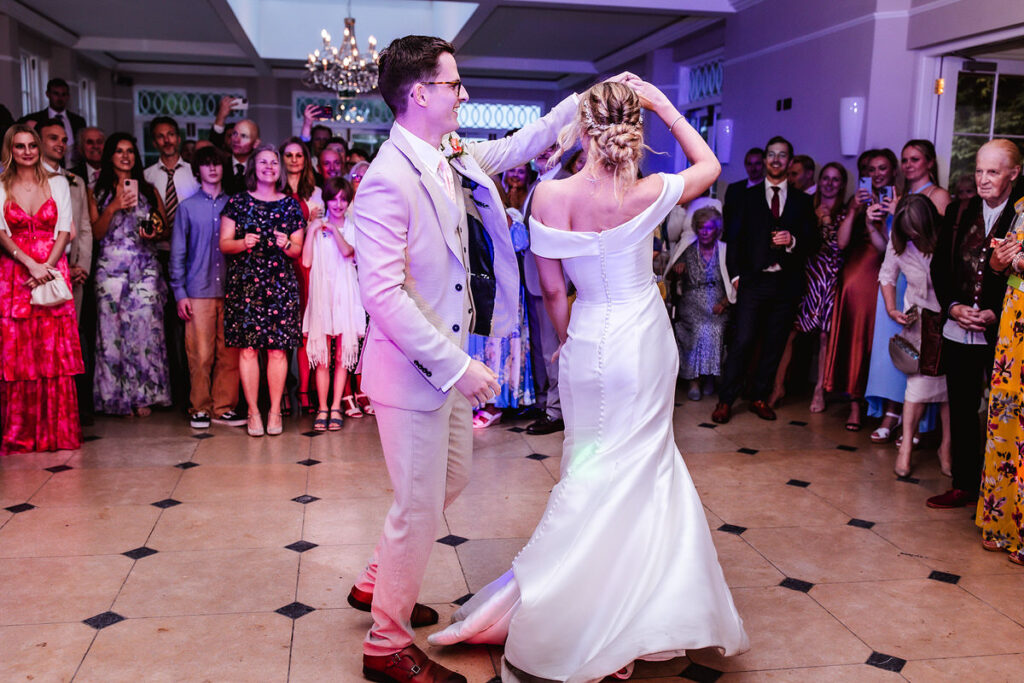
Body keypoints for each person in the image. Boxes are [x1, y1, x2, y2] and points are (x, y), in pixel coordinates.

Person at [428, 77, 748, 681]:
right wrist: (664, 104)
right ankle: (635, 616)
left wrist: (569, 346)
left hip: (589, 337)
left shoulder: (548, 198)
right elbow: (710, 162)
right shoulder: (653, 191)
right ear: (634, 128)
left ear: (584, 129)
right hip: (647, 342)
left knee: (589, 468)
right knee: (646, 468)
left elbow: (553, 290)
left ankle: (581, 609)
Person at [347, 34, 584, 683]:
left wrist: (581, 103)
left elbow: (517, 146)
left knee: (446, 482)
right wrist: (457, 366)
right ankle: (386, 644)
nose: (464, 94)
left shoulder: (446, 154)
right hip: (411, 372)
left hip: (445, 363)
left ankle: (375, 581)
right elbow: (383, 295)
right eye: (455, 84)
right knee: (418, 504)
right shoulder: (386, 181)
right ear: (420, 93)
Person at [929, 140, 1021, 509]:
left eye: (993, 172)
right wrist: (953, 307)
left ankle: (999, 496)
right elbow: (939, 266)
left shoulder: (1021, 214)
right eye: (979, 171)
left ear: (1014, 174)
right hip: (959, 327)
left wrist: (994, 312)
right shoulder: (958, 211)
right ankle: (964, 485)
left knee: (1004, 409)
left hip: (1005, 331)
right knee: (963, 407)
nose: (983, 180)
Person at [711, 135, 817, 424]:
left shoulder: (803, 201)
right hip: (752, 283)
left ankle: (759, 396)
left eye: (782, 155)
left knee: (774, 343)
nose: (775, 160)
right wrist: (734, 277)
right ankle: (725, 400)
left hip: (786, 284)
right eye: (771, 154)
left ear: (790, 162)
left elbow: (813, 241)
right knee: (743, 341)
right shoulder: (745, 197)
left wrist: (793, 240)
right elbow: (732, 239)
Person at [0, 124, 83, 454]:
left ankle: (57, 434)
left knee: (53, 353)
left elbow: (64, 230)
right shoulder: (1, 186)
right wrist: (30, 265)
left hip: (51, 269)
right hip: (15, 274)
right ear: (11, 150)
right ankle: (20, 435)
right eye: (19, 146)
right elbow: (1, 232)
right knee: (19, 354)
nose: (27, 151)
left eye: (32, 145)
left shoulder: (59, 182)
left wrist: (45, 267)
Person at [219, 145, 305, 437]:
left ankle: (275, 411)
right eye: (263, 162)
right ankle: (254, 412)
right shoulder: (238, 202)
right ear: (253, 168)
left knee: (279, 352)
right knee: (249, 350)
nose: (269, 166)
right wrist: (243, 243)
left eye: (274, 162)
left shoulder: (291, 205)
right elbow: (224, 244)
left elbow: (298, 250)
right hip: (246, 286)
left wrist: (286, 245)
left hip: (280, 286)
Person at [88, 133, 171, 417]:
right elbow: (96, 234)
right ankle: (115, 396)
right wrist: (113, 207)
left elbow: (164, 228)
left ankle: (145, 395)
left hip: (144, 266)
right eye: (119, 151)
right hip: (110, 269)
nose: (126, 156)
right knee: (111, 333)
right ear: (110, 155)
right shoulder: (96, 191)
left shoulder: (149, 190)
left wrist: (153, 230)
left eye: (130, 151)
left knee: (145, 330)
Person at [864, 146, 941, 444]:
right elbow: (888, 262)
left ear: (930, 162)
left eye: (915, 159)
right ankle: (894, 414)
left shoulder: (937, 198)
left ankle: (917, 425)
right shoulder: (894, 198)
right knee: (900, 357)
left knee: (926, 363)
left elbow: (935, 250)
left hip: (932, 293)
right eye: (905, 159)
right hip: (903, 289)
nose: (909, 165)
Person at [170, 145, 243, 430]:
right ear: (198, 170)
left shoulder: (235, 204)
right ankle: (199, 407)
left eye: (217, 164)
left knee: (230, 353)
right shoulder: (187, 207)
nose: (213, 169)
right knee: (199, 354)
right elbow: (177, 253)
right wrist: (179, 293)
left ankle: (223, 406)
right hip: (197, 291)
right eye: (206, 164)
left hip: (230, 290)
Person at [879, 194, 951, 478]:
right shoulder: (898, 244)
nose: (912, 235)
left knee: (951, 392)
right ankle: (906, 446)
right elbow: (886, 276)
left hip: (950, 322)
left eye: (916, 230)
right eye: (907, 230)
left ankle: (947, 447)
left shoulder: (947, 240)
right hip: (919, 323)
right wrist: (892, 309)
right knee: (917, 389)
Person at [770, 162, 848, 411]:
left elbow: (839, 247)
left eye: (836, 179)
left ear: (843, 184)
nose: (830, 183)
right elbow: (797, 239)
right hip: (805, 275)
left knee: (825, 336)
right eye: (826, 178)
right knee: (790, 332)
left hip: (831, 279)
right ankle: (777, 386)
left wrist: (826, 222)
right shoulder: (805, 204)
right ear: (819, 179)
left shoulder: (845, 212)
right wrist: (814, 220)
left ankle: (819, 392)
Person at [823, 150, 892, 431]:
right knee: (857, 335)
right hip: (859, 273)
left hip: (889, 270)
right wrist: (854, 210)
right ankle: (854, 405)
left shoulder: (898, 199)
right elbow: (840, 243)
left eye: (882, 168)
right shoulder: (857, 199)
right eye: (871, 169)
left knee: (881, 340)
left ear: (892, 171)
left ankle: (883, 405)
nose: (876, 174)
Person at [977, 174, 1024, 566]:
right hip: (1014, 320)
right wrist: (1000, 260)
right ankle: (1003, 523)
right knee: (1006, 415)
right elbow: (996, 263)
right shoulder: (1020, 209)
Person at [468, 163, 537, 429]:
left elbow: (521, 242)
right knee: (481, 348)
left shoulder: (510, 215)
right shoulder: (471, 218)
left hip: (505, 293)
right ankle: (480, 399)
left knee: (501, 348)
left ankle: (496, 404)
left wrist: (496, 211)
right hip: (481, 290)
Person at [145, 116, 200, 412]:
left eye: (170, 135)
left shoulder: (194, 174)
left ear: (178, 138)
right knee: (164, 325)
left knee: (188, 325)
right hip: (157, 255)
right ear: (154, 142)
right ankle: (173, 387)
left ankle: (193, 387)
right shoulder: (146, 176)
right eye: (160, 137)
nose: (166, 140)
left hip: (191, 256)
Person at [301, 177, 364, 430]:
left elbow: (349, 252)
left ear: (348, 201)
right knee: (323, 357)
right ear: (325, 199)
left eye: (343, 199)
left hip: (346, 294)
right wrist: (314, 230)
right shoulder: (316, 227)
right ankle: (323, 408)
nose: (338, 204)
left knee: (342, 357)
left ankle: (337, 405)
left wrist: (334, 230)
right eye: (333, 198)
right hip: (322, 295)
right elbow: (306, 261)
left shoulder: (352, 227)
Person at [522, 144, 571, 435]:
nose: (543, 151)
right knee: (541, 347)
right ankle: (544, 403)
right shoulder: (536, 182)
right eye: (539, 146)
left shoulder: (564, 181)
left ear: (561, 150)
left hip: (555, 277)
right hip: (533, 276)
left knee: (554, 348)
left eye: (551, 146)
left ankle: (556, 411)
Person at [665, 206, 735, 400]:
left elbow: (733, 280)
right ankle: (694, 381)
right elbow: (669, 276)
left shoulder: (724, 250)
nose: (705, 232)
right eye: (701, 227)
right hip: (692, 299)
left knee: (715, 328)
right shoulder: (688, 249)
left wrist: (724, 302)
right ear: (696, 228)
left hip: (718, 300)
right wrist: (677, 269)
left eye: (710, 228)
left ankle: (709, 376)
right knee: (698, 327)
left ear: (717, 230)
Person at [280, 137, 325, 416]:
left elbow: (320, 227)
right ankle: (284, 390)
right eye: (288, 155)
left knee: (306, 330)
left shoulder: (317, 191)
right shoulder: (274, 190)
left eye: (299, 155)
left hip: (309, 264)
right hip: (282, 263)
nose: (294, 159)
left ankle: (305, 390)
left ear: (306, 159)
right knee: (284, 330)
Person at [18, 78, 87, 167]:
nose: (60, 98)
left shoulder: (78, 121)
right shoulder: (34, 119)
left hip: (74, 170)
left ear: (68, 96)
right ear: (48, 94)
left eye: (63, 94)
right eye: (56, 94)